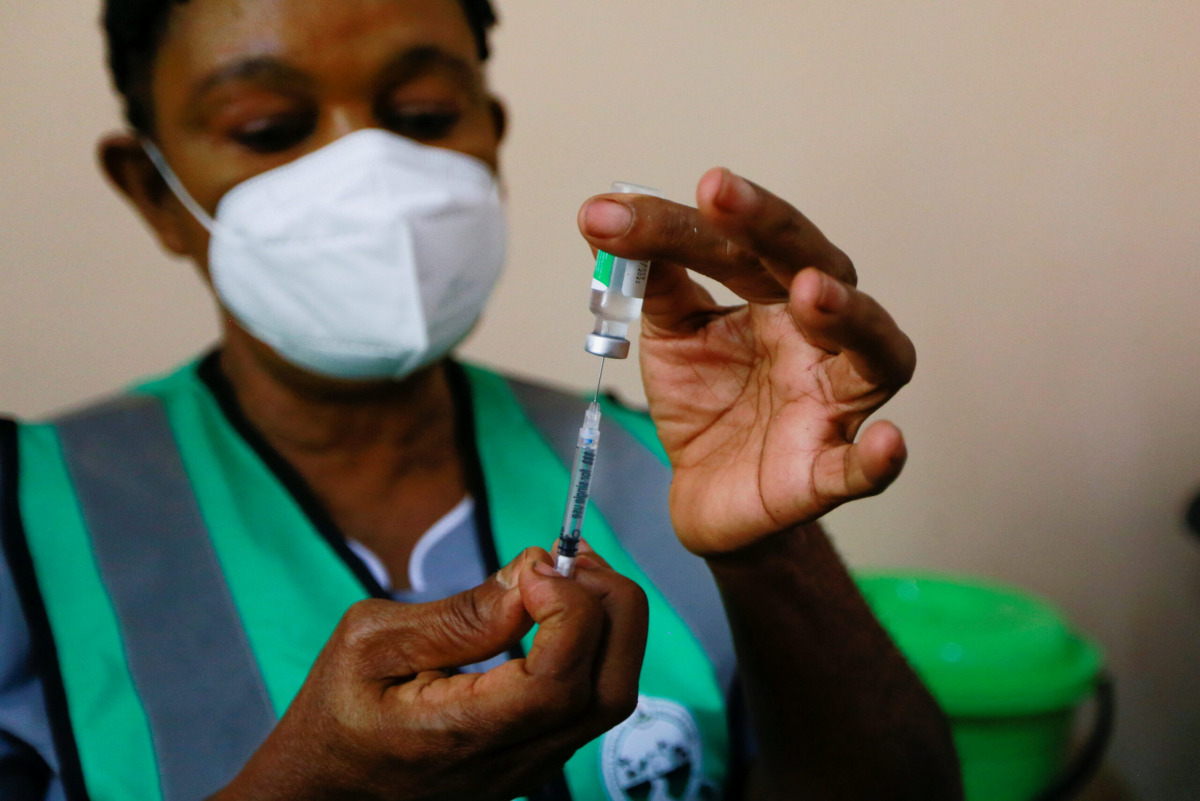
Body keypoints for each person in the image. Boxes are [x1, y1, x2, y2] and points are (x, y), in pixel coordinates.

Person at [0, 1, 962, 799]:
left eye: (421, 115)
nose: (367, 173)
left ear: (490, 138)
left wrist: (772, 553)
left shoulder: (664, 468)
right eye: (270, 130)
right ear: (152, 190)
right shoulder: (29, 524)